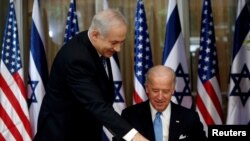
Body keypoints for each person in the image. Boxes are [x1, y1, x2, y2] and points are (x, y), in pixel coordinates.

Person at [34, 9, 149, 141]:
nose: (118, 49)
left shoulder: (98, 44)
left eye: (121, 43)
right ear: (95, 35)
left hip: (86, 130)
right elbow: (96, 104)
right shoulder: (77, 59)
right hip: (63, 133)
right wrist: (134, 137)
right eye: (114, 43)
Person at [116, 65, 208, 141]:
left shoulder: (190, 117)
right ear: (147, 88)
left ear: (172, 90)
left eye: (166, 91)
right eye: (155, 91)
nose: (160, 97)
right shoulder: (130, 115)